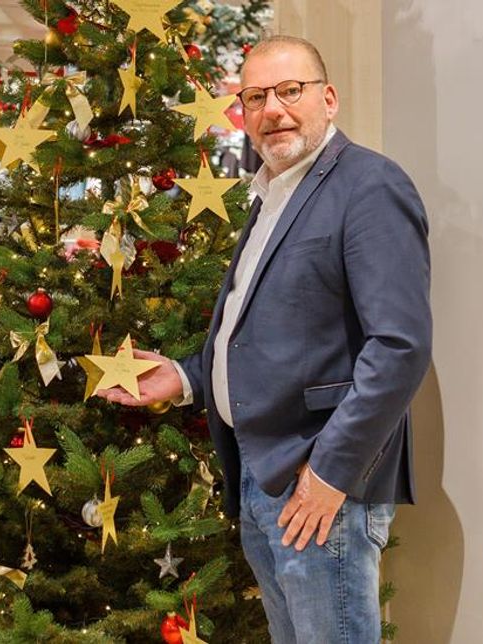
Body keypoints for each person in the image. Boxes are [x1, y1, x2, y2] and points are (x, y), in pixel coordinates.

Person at [100, 36, 431, 643]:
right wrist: (186, 376)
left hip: (321, 483)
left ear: (327, 99)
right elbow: (262, 329)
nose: (272, 109)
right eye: (255, 97)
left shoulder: (369, 186)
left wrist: (329, 474)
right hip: (259, 473)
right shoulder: (272, 193)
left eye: (289, 91)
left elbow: (400, 347)